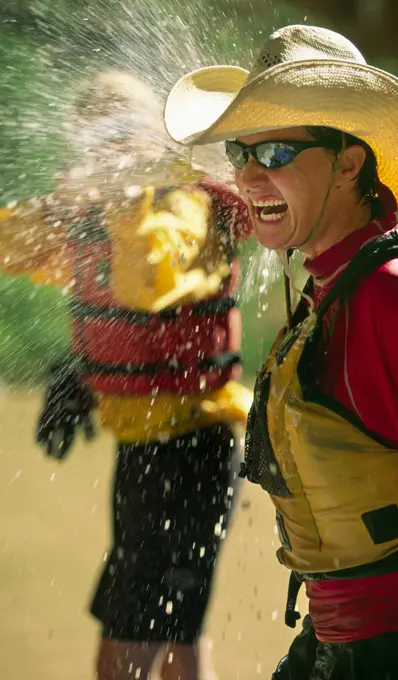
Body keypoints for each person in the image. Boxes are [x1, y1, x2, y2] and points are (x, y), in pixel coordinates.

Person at [164, 24, 398, 680]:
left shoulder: (397, 296)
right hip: (340, 643)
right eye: (242, 150)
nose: (249, 175)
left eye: (279, 152)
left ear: (350, 162)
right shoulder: (333, 287)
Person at [0, 70, 253, 680]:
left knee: (137, 647)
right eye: (90, 141)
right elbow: (9, 242)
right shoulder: (98, 213)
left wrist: (124, 191)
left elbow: (151, 283)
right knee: (170, 640)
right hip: (143, 450)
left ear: (153, 139)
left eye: (118, 136)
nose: (104, 152)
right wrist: (69, 200)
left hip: (195, 447)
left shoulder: (183, 205)